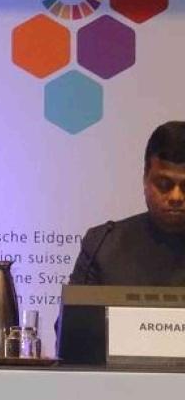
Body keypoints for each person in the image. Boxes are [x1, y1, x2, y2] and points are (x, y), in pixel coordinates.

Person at [69, 121, 185, 285]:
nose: (176, 197)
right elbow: (78, 310)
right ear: (145, 178)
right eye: (164, 184)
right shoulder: (103, 247)